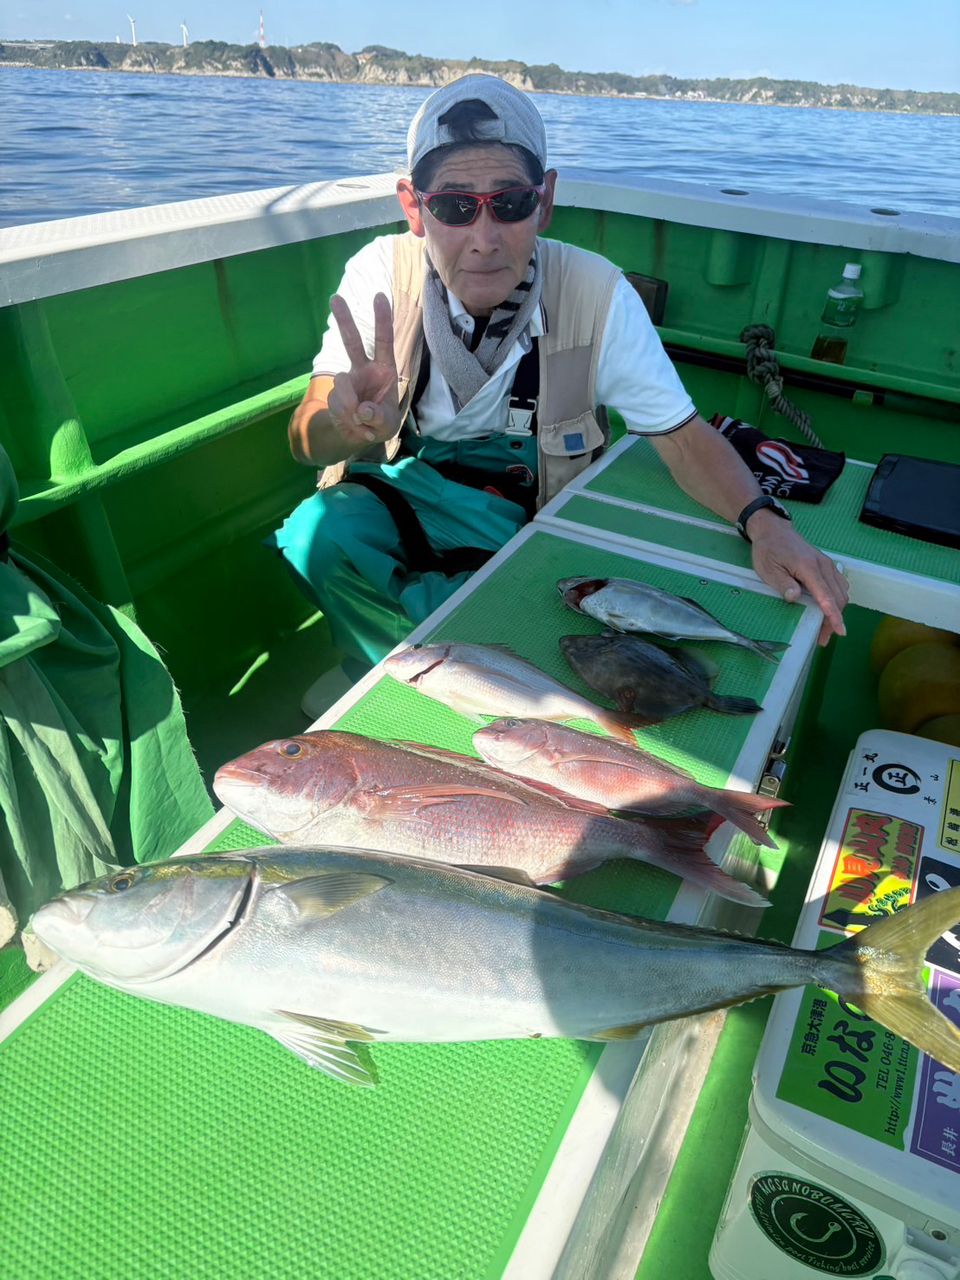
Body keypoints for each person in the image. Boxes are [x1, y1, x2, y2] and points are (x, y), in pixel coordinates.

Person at [273, 74, 848, 674]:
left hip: (540, 514)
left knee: (535, 597)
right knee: (318, 533)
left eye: (511, 202)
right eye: (453, 205)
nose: (484, 239)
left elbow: (683, 438)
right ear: (414, 208)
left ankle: (432, 653)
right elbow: (305, 437)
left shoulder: (597, 294)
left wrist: (763, 522)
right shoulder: (380, 277)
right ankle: (433, 665)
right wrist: (349, 427)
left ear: (544, 200)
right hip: (416, 487)